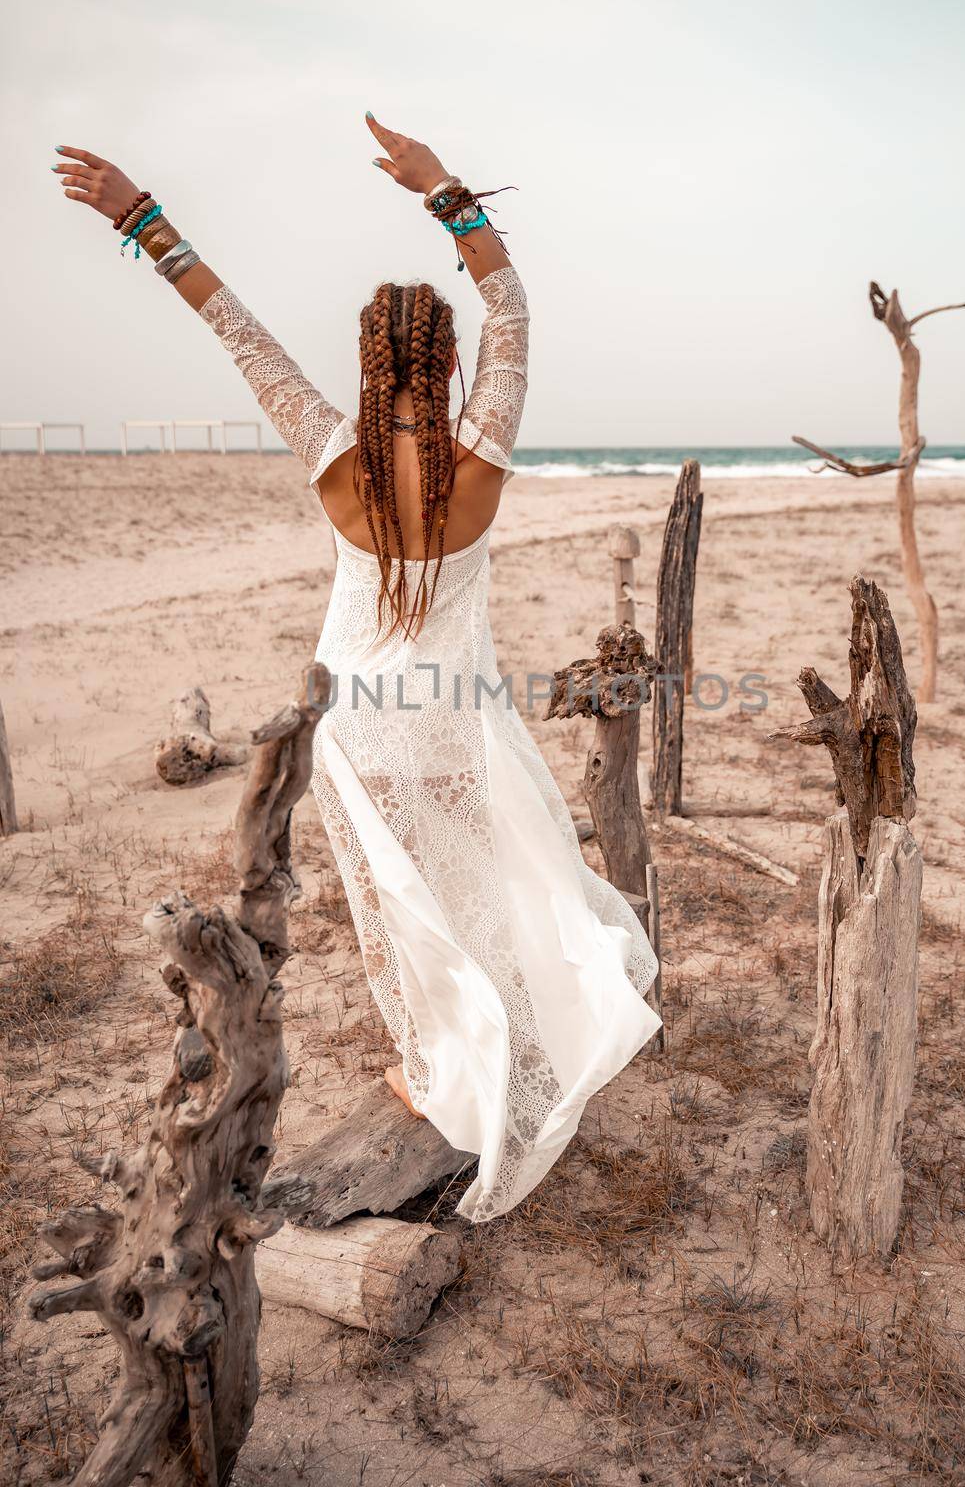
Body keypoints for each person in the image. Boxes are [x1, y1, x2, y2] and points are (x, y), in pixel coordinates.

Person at [51, 115, 661, 1221]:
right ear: (449, 363)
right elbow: (511, 305)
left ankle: (439, 1069)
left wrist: (141, 216)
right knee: (476, 893)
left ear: (369, 366)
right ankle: (487, 1058)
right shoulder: (482, 451)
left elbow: (231, 325)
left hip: (352, 727)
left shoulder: (334, 452)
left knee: (406, 905)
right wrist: (446, 195)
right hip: (451, 717)